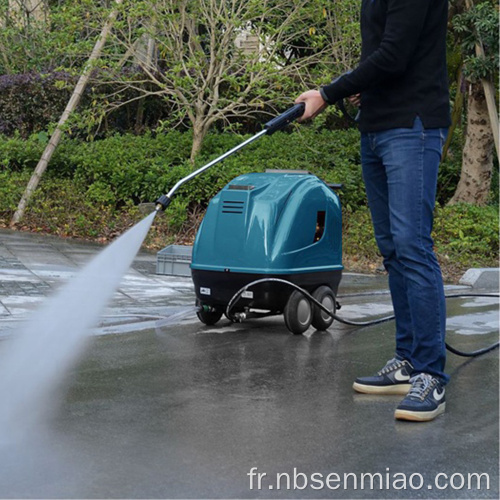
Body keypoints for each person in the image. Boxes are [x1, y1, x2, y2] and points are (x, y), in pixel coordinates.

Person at [295, 0, 451, 422]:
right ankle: (406, 361)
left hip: (412, 127)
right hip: (378, 128)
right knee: (393, 249)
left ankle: (431, 375)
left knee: (412, 245)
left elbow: (394, 55)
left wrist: (328, 93)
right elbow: (382, 56)